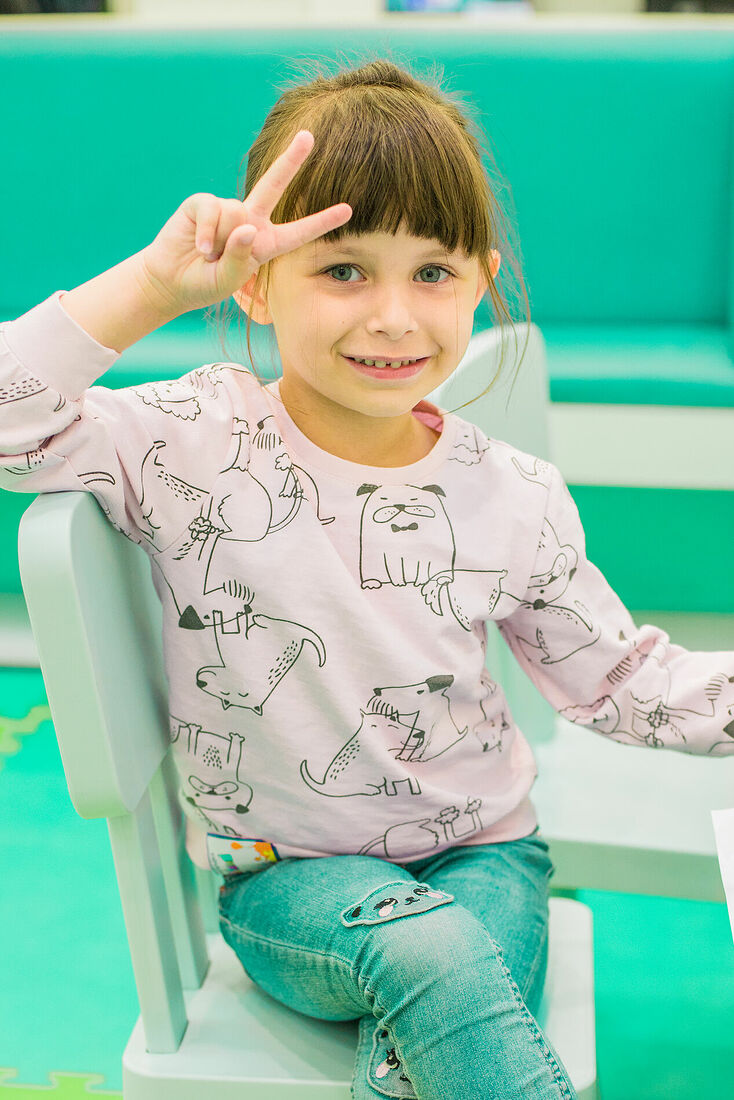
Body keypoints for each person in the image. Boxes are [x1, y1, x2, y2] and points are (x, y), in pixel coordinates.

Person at [0, 54, 730, 1100]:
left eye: (432, 274)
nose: (392, 316)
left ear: (480, 281)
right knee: (434, 957)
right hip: (288, 881)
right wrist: (156, 286)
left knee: (424, 1037)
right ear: (257, 281)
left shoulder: (514, 493)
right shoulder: (189, 438)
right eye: (343, 270)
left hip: (486, 858)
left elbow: (620, 681)